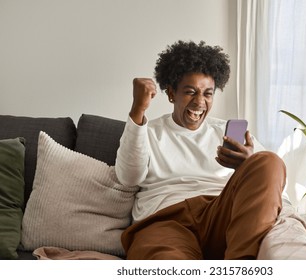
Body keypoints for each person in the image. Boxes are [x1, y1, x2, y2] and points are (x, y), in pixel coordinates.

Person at [115, 40, 286, 260]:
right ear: (171, 93)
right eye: (190, 92)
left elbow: (275, 183)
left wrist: (247, 164)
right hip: (165, 221)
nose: (199, 102)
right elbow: (128, 177)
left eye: (208, 93)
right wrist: (138, 109)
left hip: (219, 216)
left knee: (269, 161)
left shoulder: (224, 132)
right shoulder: (147, 131)